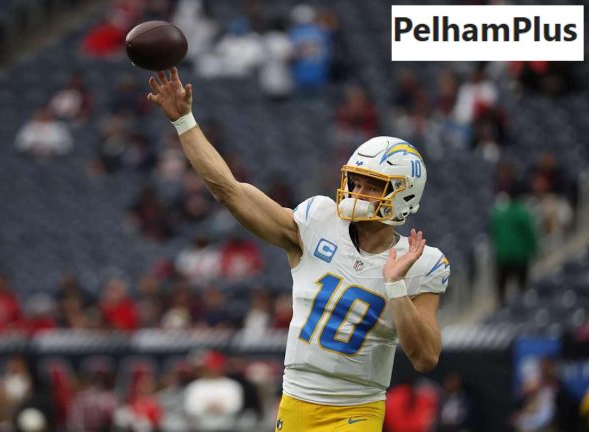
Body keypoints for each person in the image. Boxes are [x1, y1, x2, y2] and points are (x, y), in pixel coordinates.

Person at [146, 68, 449, 431]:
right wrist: (184, 122)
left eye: (373, 185)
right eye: (356, 180)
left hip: (355, 410)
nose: (357, 192)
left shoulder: (421, 262)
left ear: (404, 195)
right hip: (294, 403)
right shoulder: (317, 222)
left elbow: (426, 357)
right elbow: (228, 190)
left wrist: (396, 287)